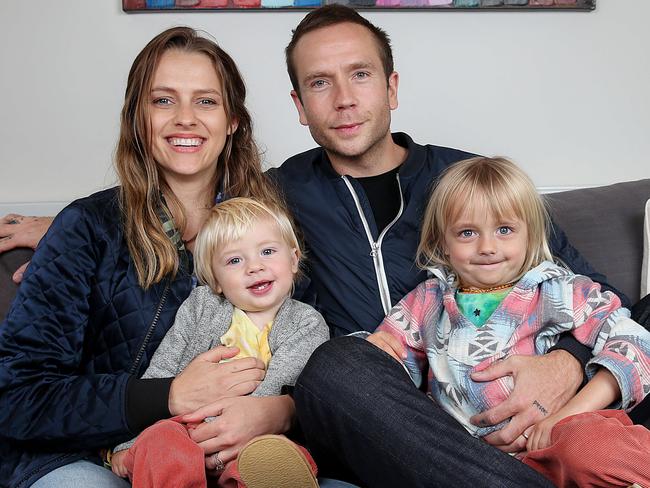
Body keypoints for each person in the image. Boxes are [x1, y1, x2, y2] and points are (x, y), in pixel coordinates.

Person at [2, 4, 649, 486]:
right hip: (380, 417)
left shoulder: (473, 182)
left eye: (360, 75)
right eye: (319, 84)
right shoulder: (275, 200)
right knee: (335, 365)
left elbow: (601, 299)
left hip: (525, 400)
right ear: (297, 106)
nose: (343, 100)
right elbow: (177, 203)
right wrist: (63, 225)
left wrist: (565, 365)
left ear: (391, 88)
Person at [0, 27, 295, 488]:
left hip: (227, 458)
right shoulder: (86, 228)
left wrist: (279, 410)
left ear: (233, 119)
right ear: (138, 118)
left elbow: (309, 348)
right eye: (163, 101)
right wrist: (169, 396)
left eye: (206, 101)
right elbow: (16, 396)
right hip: (88, 459)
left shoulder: (270, 231)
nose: (185, 119)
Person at [367, 156, 650, 487]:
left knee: (590, 451)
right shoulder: (426, 302)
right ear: (443, 242)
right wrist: (375, 349)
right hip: (474, 466)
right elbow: (381, 367)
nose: (487, 247)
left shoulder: (559, 288)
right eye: (467, 232)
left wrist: (566, 415)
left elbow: (636, 341)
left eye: (504, 230)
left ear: (530, 235)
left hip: (557, 442)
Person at [108, 197, 328, 488]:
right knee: (160, 440)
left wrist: (235, 433)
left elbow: (279, 387)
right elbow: (162, 370)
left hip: (254, 435)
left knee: (278, 455)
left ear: (293, 259)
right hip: (188, 430)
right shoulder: (201, 306)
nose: (254, 267)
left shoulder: (306, 323)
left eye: (267, 251)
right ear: (215, 280)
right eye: (234, 260)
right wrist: (131, 442)